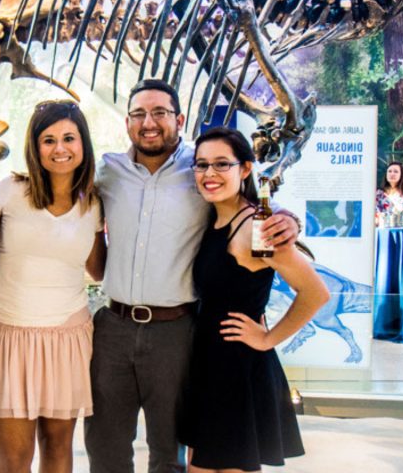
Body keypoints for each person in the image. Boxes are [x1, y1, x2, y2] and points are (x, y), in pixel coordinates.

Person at [85, 79, 301, 473]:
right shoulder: (108, 171)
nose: (149, 123)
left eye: (160, 113)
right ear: (128, 122)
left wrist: (287, 217)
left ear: (179, 119)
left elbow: (244, 200)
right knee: (105, 445)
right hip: (112, 328)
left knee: (169, 449)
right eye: (138, 114)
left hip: (176, 332)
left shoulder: (199, 168)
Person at [179, 127, 329, 472]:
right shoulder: (215, 217)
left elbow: (316, 292)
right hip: (209, 363)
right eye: (201, 165)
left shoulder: (256, 227)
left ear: (245, 169)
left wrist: (268, 337)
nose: (209, 174)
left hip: (237, 367)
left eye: (221, 164)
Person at [0, 100, 107, 473]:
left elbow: (98, 270)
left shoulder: (94, 202)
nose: (60, 149)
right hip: (13, 336)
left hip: (67, 338)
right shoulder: (8, 192)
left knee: (58, 450)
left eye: (69, 138)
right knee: (15, 458)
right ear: (34, 147)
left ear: (83, 144)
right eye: (48, 140)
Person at [375, 161, 403, 227]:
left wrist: (401, 223)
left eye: (396, 171)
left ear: (401, 175)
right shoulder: (378, 193)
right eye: (389, 171)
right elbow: (376, 213)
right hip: (384, 230)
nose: (392, 174)